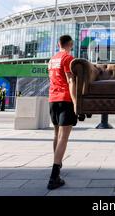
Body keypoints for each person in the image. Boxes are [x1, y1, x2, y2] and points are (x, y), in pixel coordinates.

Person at [47, 35, 77, 190]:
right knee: (63, 138)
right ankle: (54, 175)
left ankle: (56, 164)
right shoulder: (68, 58)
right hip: (65, 99)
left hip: (52, 99)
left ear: (59, 44)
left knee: (56, 134)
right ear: (70, 44)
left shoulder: (51, 60)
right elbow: (70, 81)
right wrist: (76, 102)